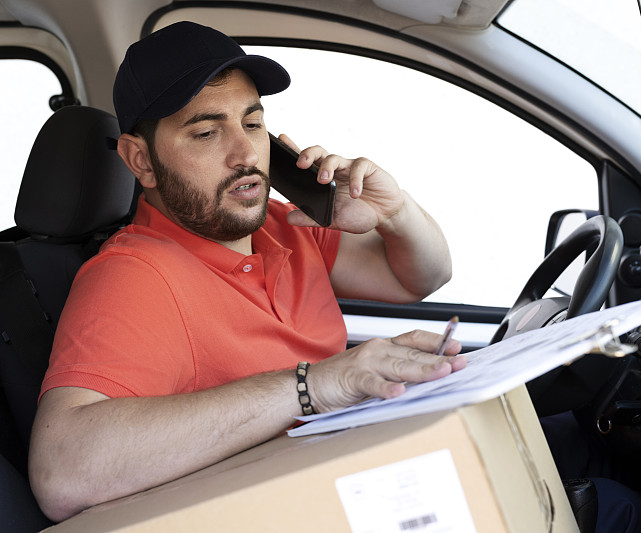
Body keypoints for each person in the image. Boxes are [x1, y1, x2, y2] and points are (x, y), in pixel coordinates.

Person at [27, 21, 465, 522]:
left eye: (252, 124)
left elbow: (420, 277)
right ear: (141, 160)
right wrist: (312, 386)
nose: (245, 155)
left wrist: (395, 212)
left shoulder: (286, 225)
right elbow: (63, 473)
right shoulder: (135, 276)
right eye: (207, 132)